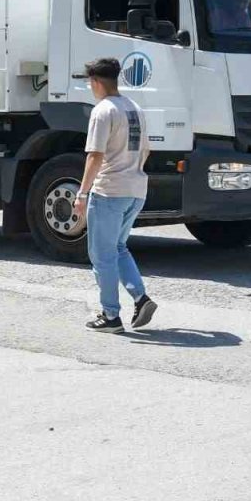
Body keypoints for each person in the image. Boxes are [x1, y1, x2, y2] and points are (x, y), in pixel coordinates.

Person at [72, 58, 158, 333]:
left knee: (102, 256)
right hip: (136, 190)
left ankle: (111, 316)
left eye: (90, 83)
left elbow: (95, 156)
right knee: (119, 248)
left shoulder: (103, 111)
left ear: (96, 82)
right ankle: (140, 297)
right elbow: (147, 151)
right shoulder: (134, 108)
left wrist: (82, 194)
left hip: (109, 191)